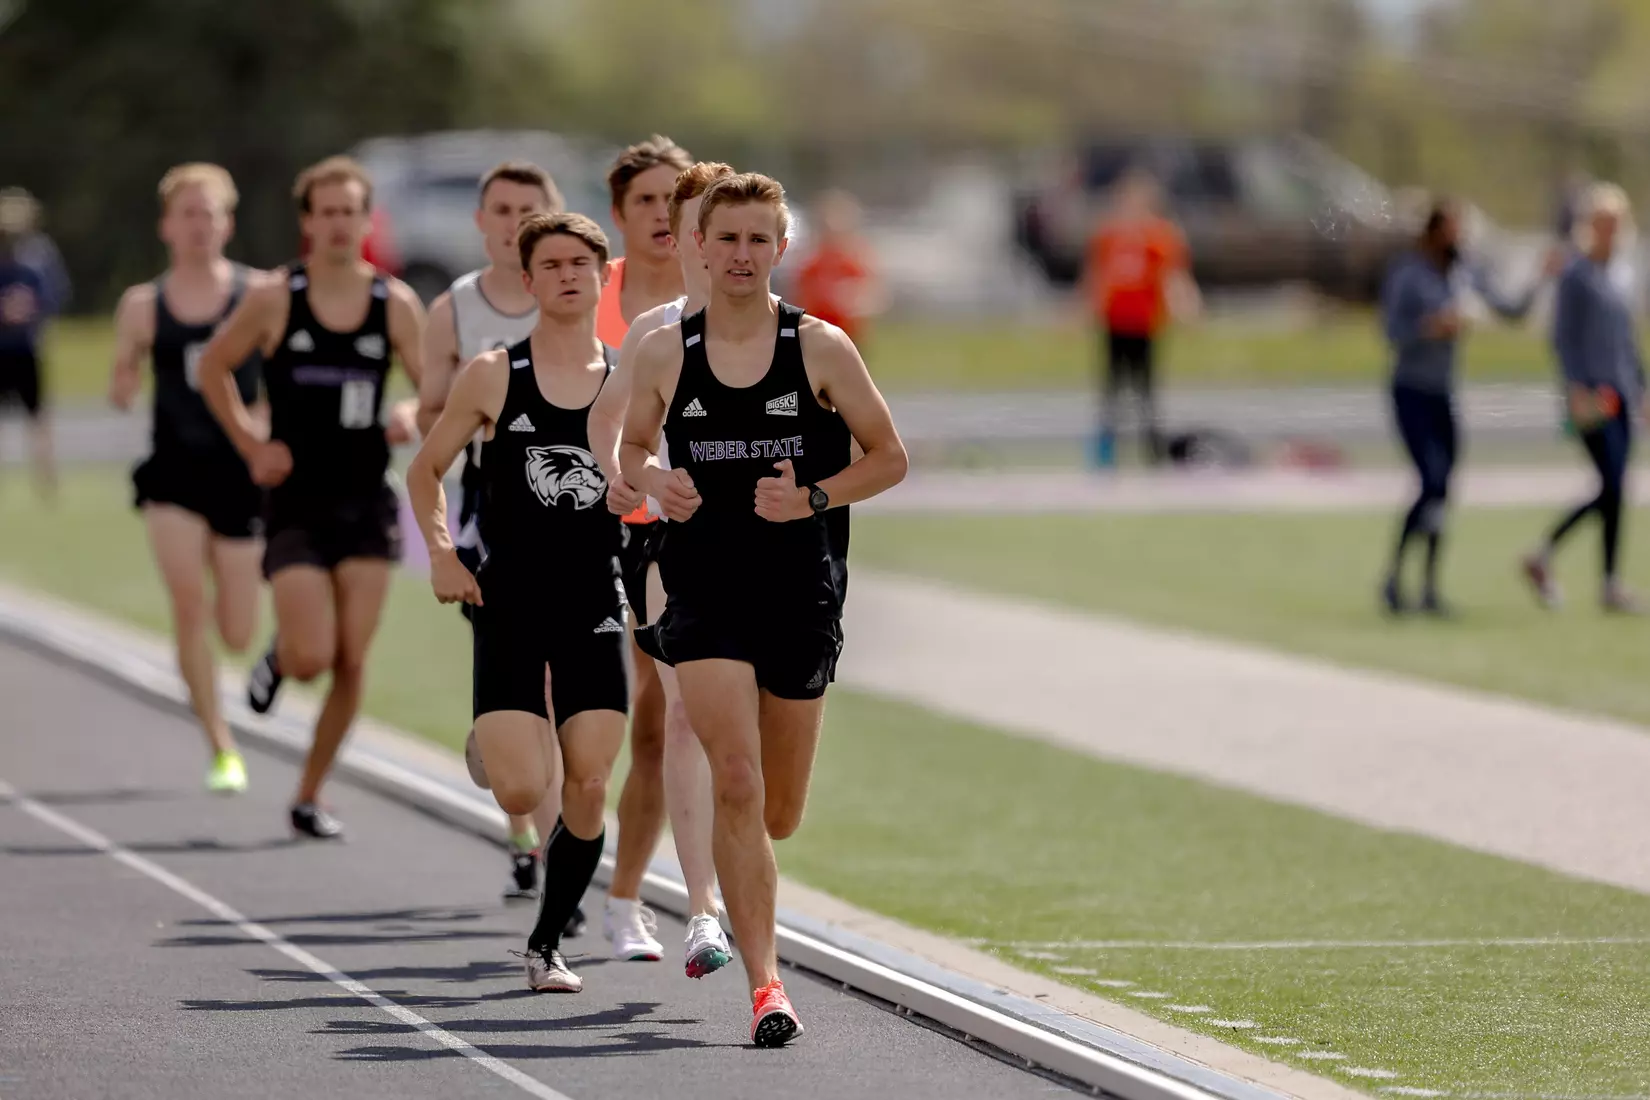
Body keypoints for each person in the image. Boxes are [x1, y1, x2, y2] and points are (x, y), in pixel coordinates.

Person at [621, 172, 908, 1046]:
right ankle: (768, 987)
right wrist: (653, 478)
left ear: (780, 249)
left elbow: (889, 457)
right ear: (698, 248)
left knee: (777, 810)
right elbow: (631, 447)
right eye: (727, 238)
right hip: (704, 589)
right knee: (734, 782)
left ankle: (754, 904)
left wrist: (814, 498)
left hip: (800, 593)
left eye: (759, 240)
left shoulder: (820, 348)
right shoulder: (668, 352)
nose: (742, 255)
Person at [406, 212, 630, 993]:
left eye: (583, 263)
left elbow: (659, 484)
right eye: (554, 264)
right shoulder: (496, 372)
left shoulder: (633, 378)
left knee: (592, 783)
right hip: (506, 597)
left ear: (603, 277)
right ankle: (494, 742)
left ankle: (545, 947)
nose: (570, 274)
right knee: (522, 791)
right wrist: (440, 553)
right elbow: (425, 471)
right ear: (527, 281)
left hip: (596, 599)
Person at [199, 155, 425, 839]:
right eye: (324, 212)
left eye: (348, 211)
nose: (336, 224)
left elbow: (430, 385)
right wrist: (250, 443)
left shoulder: (394, 303)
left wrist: (411, 413)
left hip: (366, 500)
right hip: (296, 501)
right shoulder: (276, 296)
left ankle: (308, 794)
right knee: (311, 657)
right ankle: (279, 657)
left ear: (365, 219)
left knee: (352, 659)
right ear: (308, 222)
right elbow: (213, 367)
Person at [590, 160, 737, 979]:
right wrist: (637, 479)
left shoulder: (794, 332)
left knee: (755, 764)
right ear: (687, 240)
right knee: (678, 714)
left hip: (768, 552)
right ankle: (704, 911)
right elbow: (607, 426)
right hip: (665, 543)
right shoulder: (654, 331)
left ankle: (729, 872)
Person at [416, 160, 568, 905]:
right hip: (486, 514)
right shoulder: (454, 308)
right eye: (502, 210)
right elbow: (426, 417)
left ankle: (517, 784)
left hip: (573, 515)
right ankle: (544, 853)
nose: (513, 222)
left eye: (527, 209)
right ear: (482, 222)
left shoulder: (574, 294)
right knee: (534, 682)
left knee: (561, 687)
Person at [108, 164, 267, 793]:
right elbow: (123, 375)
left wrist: (264, 426)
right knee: (187, 602)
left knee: (237, 628)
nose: (200, 226)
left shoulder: (259, 294)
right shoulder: (144, 304)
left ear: (227, 223)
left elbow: (281, 376)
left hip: (238, 472)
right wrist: (122, 381)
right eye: (188, 215)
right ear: (167, 226)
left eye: (211, 214)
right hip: (172, 472)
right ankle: (220, 744)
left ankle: (227, 710)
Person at [593, 134, 695, 964]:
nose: (663, 215)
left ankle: (626, 899)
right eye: (646, 202)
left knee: (659, 718)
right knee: (580, 717)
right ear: (619, 215)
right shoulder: (588, 293)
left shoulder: (722, 297)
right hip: (581, 523)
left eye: (675, 199)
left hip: (672, 531)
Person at [1379, 199, 1561, 615]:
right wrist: (1431, 326)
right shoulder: (1408, 273)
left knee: (1443, 488)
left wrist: (1539, 278)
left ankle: (1427, 585)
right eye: (1451, 231)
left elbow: (1510, 310)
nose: (1458, 239)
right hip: (1411, 389)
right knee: (1430, 479)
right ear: (1432, 232)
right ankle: (1395, 576)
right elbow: (1392, 331)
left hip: (1443, 391)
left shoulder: (1464, 272)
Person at [1522, 183, 1646, 613]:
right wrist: (1576, 387)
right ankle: (1545, 554)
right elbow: (1563, 338)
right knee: (1610, 482)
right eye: (1602, 222)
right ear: (1590, 225)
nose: (1610, 230)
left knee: (1616, 489)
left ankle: (1608, 582)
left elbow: (1626, 340)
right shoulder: (1575, 274)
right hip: (1590, 395)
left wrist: (1642, 388)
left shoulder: (1621, 272)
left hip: (1622, 391)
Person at [1079, 167, 1199, 468]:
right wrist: (1083, 309)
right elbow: (1096, 276)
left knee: (1146, 390)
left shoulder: (1159, 236)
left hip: (1144, 323)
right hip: (1115, 322)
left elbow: (1173, 276)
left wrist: (1186, 306)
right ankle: (1104, 454)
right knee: (1111, 391)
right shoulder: (1108, 235)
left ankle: (1153, 454)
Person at [0, 187, 68, 497]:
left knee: (38, 415)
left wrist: (31, 309)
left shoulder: (39, 254)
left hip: (27, 347)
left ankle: (46, 481)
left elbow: (55, 294)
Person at [794, 189, 884, 345]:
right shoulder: (812, 262)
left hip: (849, 336)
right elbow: (802, 300)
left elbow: (873, 297)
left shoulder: (856, 260)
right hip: (818, 335)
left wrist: (849, 298)